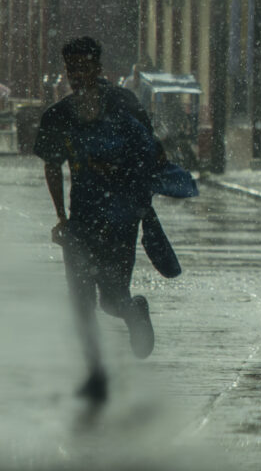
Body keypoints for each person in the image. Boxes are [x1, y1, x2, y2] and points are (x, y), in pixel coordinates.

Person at [34, 37, 160, 405]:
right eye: (71, 68)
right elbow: (51, 165)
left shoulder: (124, 105)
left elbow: (150, 153)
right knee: (80, 302)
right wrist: (61, 216)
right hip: (81, 223)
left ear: (98, 67)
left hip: (120, 221)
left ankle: (133, 310)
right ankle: (95, 373)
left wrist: (125, 178)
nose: (77, 75)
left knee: (111, 298)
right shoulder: (60, 115)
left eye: (84, 67)